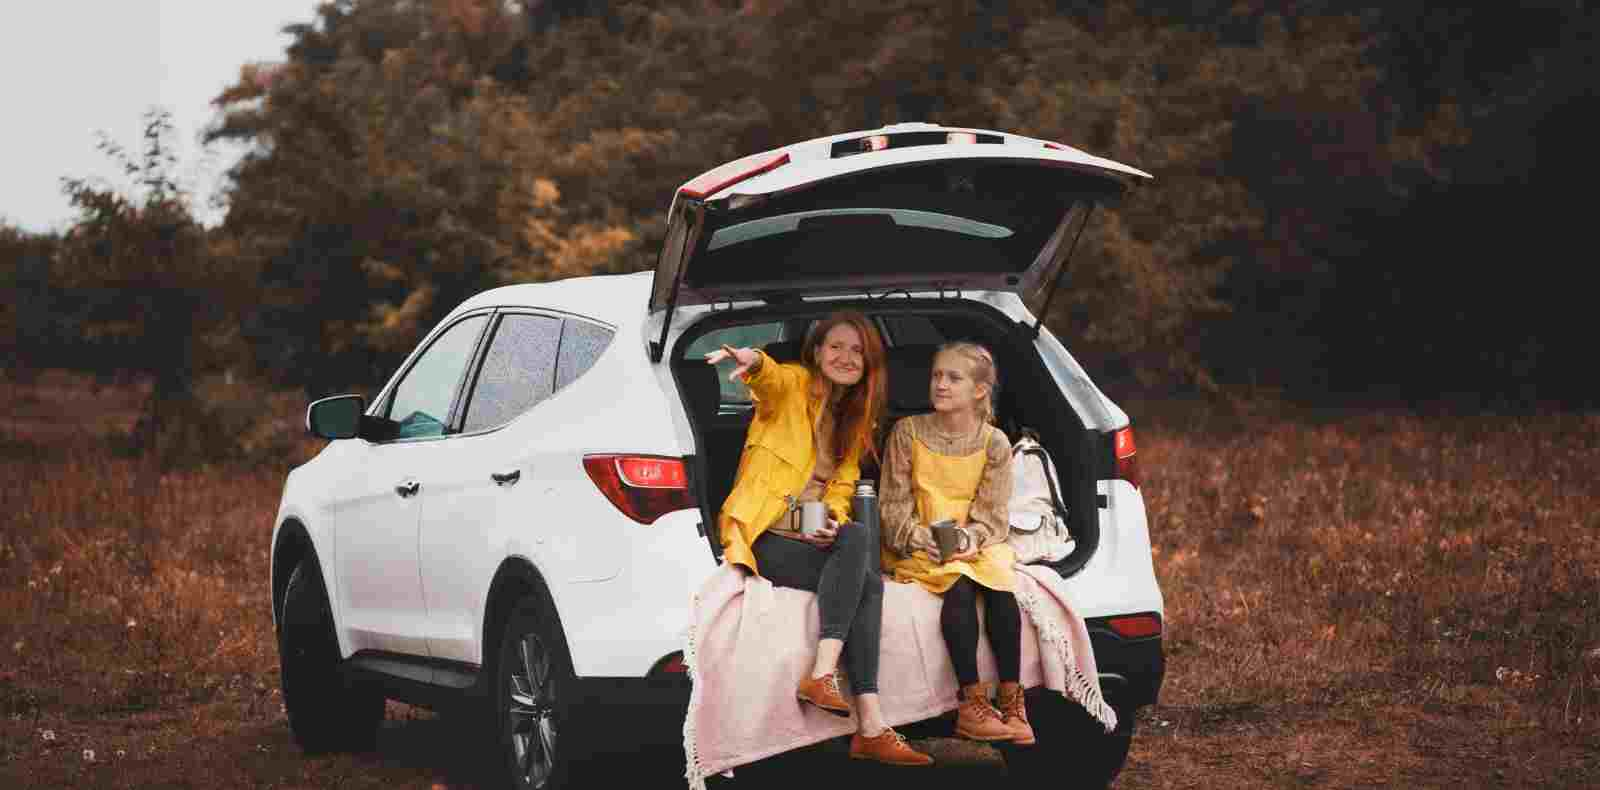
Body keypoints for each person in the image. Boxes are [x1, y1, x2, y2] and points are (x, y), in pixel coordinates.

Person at [703, 311, 933, 767]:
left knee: (861, 567)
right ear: (816, 352)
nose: (846, 357)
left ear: (869, 365)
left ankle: (865, 719)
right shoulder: (792, 386)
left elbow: (843, 489)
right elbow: (768, 381)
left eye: (857, 351)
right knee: (862, 566)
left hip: (808, 527)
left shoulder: (855, 419)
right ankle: (844, 697)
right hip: (766, 526)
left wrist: (832, 519)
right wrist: (753, 362)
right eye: (836, 347)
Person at [877, 341, 1034, 745]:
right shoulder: (906, 432)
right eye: (936, 376)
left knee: (1001, 590)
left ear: (979, 390)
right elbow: (892, 508)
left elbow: (993, 515)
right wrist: (919, 538)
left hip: (974, 543)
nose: (940, 384)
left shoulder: (995, 442)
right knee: (960, 589)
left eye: (953, 377)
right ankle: (971, 704)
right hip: (919, 544)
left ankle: (1013, 703)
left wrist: (972, 538)